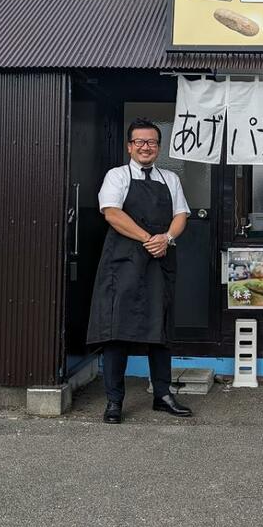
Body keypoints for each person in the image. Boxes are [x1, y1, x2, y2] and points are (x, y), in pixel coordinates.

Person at [87, 118, 192, 424]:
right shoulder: (116, 176)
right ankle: (114, 401)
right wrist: (148, 238)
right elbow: (111, 212)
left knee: (160, 331)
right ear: (129, 146)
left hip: (160, 261)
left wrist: (167, 239)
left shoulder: (170, 178)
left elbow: (181, 214)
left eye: (152, 143)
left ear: (158, 147)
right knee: (116, 331)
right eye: (140, 142)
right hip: (123, 262)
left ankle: (163, 395)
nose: (146, 148)